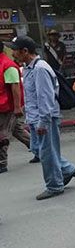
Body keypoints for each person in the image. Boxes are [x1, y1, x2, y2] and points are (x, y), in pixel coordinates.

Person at [9, 36, 75, 200]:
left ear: (25, 51)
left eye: (15, 50)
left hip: (44, 118)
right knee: (36, 148)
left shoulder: (40, 69)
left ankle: (54, 185)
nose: (13, 53)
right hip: (35, 117)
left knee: (47, 153)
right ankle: (67, 169)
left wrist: (43, 122)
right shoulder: (28, 68)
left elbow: (45, 98)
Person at [0, 42, 25, 174]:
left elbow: (15, 87)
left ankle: (2, 162)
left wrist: (17, 107)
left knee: (3, 134)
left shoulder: (8, 65)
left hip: (7, 107)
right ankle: (38, 149)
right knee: (17, 130)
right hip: (2, 105)